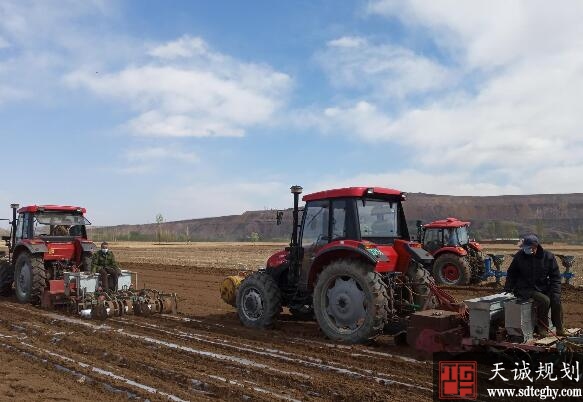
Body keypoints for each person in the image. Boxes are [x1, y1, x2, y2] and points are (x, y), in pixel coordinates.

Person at [504, 234, 565, 337]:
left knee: (556, 300)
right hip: (524, 288)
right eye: (524, 247)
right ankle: (542, 328)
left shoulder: (548, 257)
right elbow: (511, 273)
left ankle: (559, 328)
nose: (525, 250)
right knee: (544, 300)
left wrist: (556, 292)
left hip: (542, 286)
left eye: (527, 248)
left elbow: (555, 277)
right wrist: (508, 288)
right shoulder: (519, 256)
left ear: (534, 247)